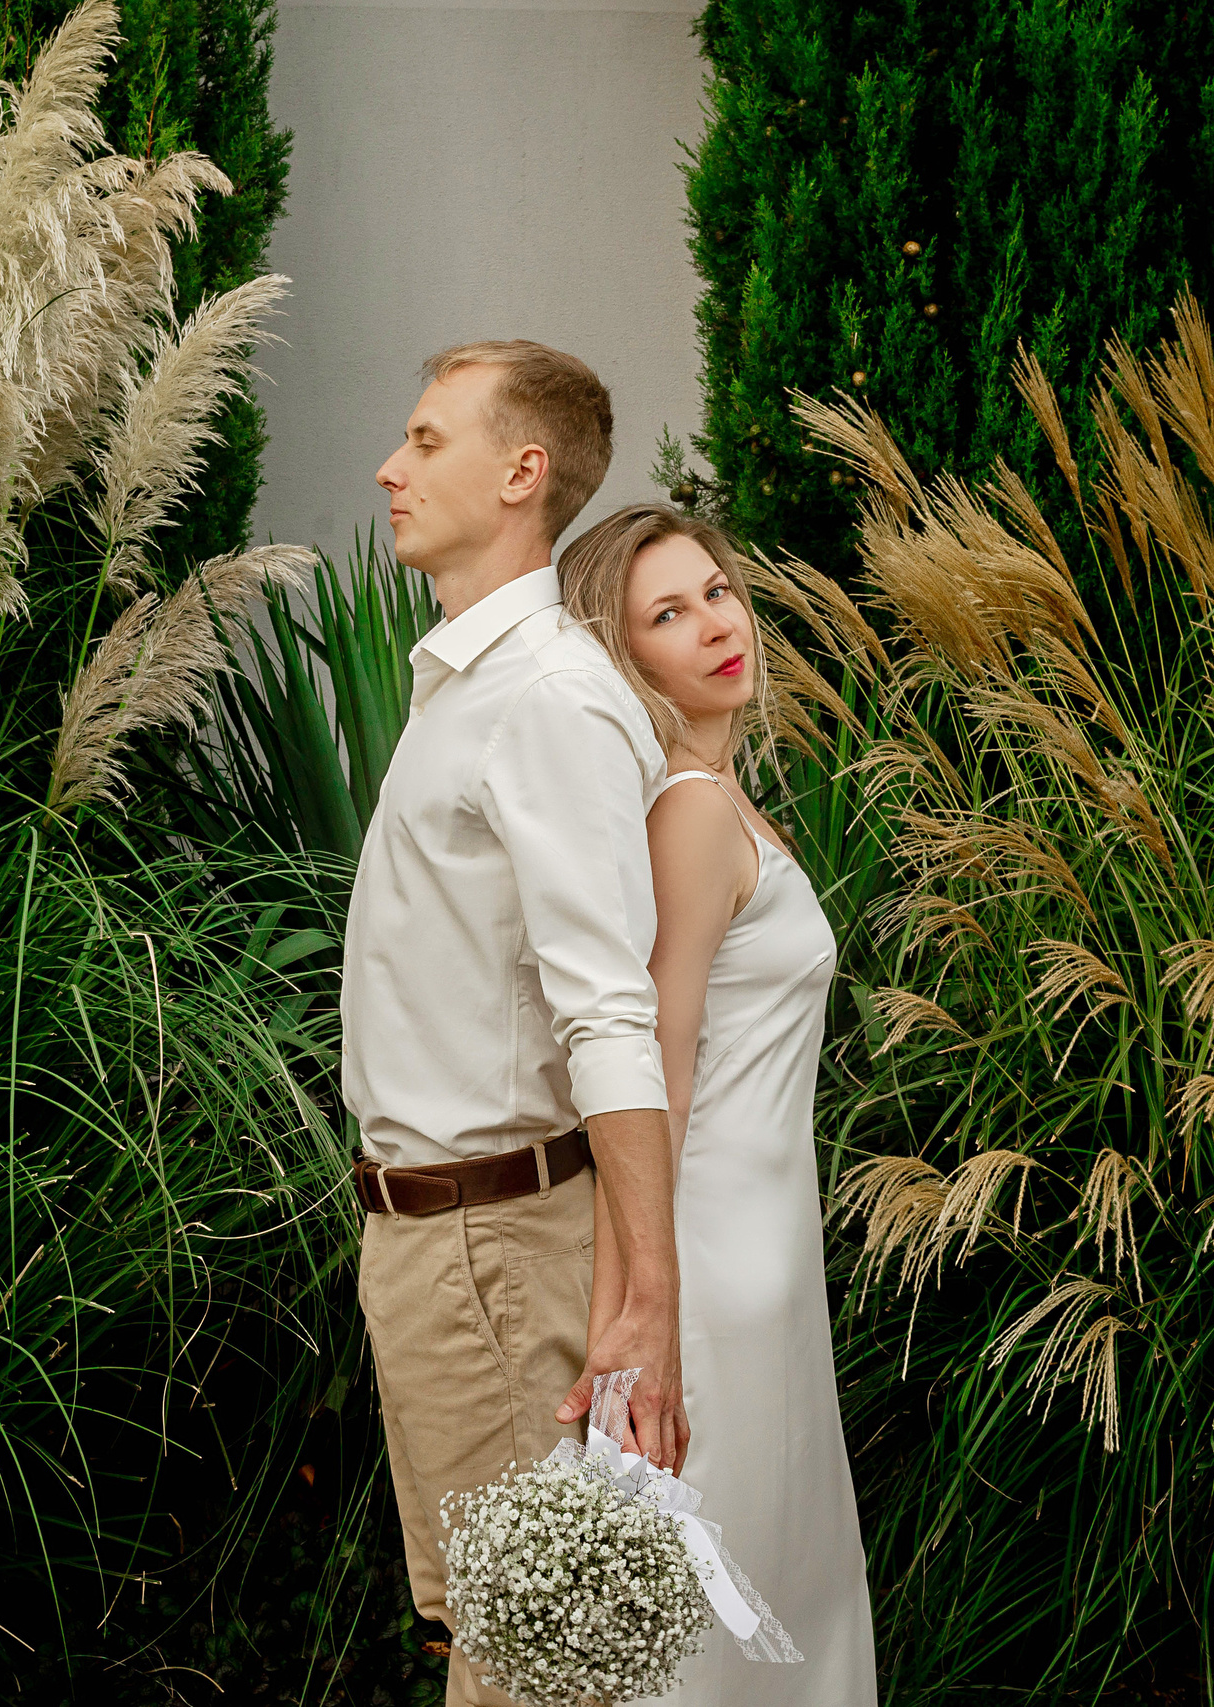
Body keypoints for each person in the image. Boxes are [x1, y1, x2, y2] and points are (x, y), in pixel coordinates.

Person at [341, 342, 688, 1706]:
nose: (391, 467)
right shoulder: (476, 688)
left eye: (428, 440)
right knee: (495, 1641)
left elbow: (608, 1008)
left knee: (532, 1667)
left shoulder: (543, 697)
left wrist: (646, 1299)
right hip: (435, 1240)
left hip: (488, 1244)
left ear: (521, 473)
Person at [555, 503, 878, 1704]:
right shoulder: (688, 812)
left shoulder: (725, 799)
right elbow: (654, 1077)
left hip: (767, 1268)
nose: (715, 623)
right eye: (668, 612)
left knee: (767, 1600)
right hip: (711, 1278)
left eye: (717, 591)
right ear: (622, 653)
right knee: (711, 1628)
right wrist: (630, 1329)